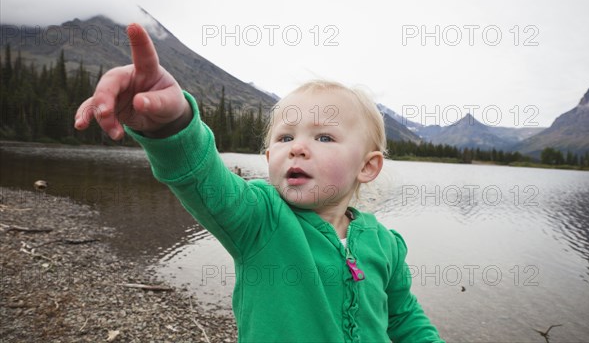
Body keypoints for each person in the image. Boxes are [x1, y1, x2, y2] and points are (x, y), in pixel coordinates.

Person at [74, 23, 444, 343]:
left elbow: (402, 317)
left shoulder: (386, 246)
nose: (297, 147)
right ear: (268, 159)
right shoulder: (257, 219)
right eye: (284, 138)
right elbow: (202, 179)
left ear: (368, 167)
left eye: (324, 138)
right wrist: (172, 125)